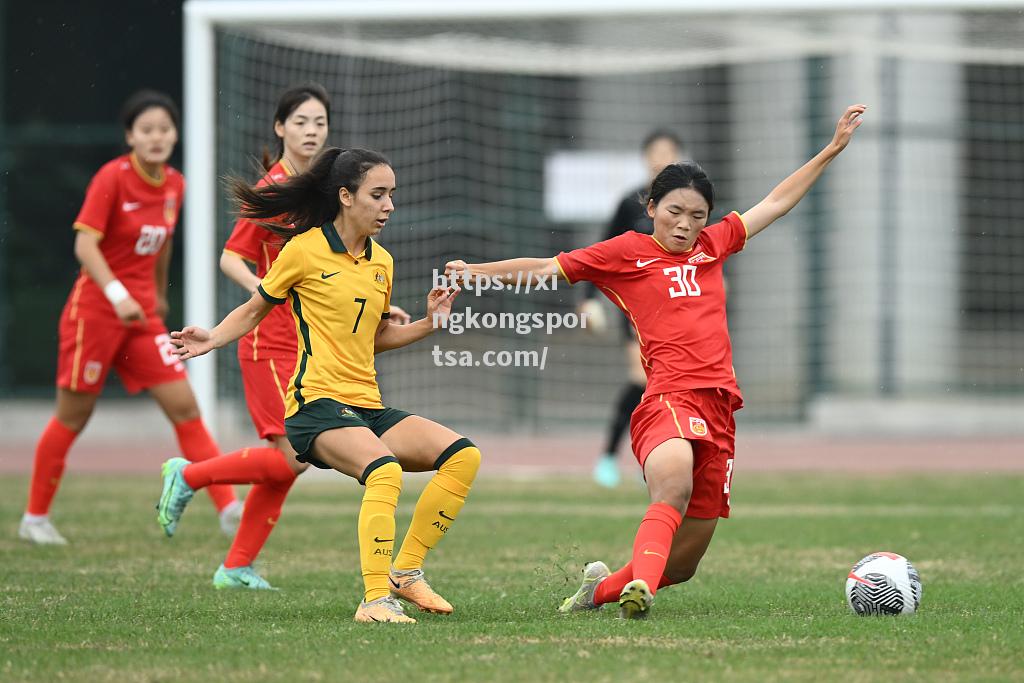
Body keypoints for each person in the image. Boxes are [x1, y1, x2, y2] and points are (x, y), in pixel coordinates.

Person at [446, 104, 866, 619]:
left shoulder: (714, 245)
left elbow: (776, 202)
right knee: (673, 485)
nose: (685, 225)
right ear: (650, 207)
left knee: (684, 564)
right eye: (674, 212)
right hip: (668, 398)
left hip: (721, 410)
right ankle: (639, 592)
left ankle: (599, 592)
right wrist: (475, 273)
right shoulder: (625, 251)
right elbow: (546, 268)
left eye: (696, 216)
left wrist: (831, 149)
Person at [166, 147, 482, 624]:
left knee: (463, 456)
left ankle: (406, 574)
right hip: (315, 406)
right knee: (385, 470)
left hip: (366, 406)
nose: (389, 206)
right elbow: (254, 309)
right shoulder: (304, 250)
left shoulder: (382, 263)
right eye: (378, 195)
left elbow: (374, 338)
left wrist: (428, 324)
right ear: (345, 196)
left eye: (392, 195)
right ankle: (375, 601)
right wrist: (210, 337)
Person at [155, 83, 408, 590]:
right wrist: (273, 293)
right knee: (292, 456)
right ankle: (190, 477)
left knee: (290, 461)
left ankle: (235, 566)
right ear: (279, 127)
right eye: (300, 122)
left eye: (319, 122)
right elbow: (232, 257)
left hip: (307, 340)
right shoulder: (275, 188)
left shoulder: (324, 185)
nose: (311, 131)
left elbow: (338, 267)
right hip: (267, 340)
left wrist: (371, 304)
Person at [19, 90, 241, 545]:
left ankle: (229, 509)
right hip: (95, 314)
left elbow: (163, 245)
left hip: (141, 319)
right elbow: (85, 246)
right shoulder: (111, 178)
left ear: (175, 134)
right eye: (147, 130)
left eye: (165, 129)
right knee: (74, 415)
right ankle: (35, 518)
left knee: (184, 406)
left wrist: (158, 295)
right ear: (130, 136)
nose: (157, 137)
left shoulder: (175, 184)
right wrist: (119, 293)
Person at [583, 129, 685, 488]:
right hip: (638, 311)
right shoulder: (630, 203)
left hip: (680, 312)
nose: (661, 158)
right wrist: (590, 300)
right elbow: (600, 254)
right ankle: (610, 455)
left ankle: (671, 460)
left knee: (677, 386)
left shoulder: (689, 203)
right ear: (645, 158)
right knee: (643, 380)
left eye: (668, 152)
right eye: (656, 152)